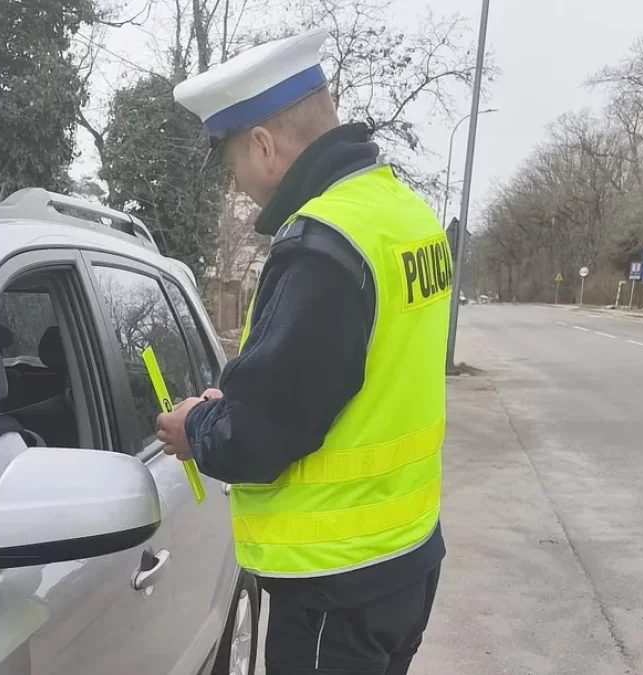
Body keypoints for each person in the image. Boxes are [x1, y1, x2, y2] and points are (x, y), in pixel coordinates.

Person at [155, 27, 449, 675]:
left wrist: (196, 425)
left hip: (334, 586)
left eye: (232, 162)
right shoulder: (406, 216)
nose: (237, 186)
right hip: (404, 561)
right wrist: (240, 399)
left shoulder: (323, 244)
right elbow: (353, 375)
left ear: (262, 145)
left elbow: (258, 438)